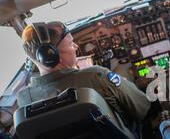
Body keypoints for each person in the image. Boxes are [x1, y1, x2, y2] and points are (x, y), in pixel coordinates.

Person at [17, 21, 150, 129]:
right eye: (70, 43)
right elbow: (142, 107)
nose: (75, 46)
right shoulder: (96, 76)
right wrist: (124, 83)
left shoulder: (24, 99)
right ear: (51, 55)